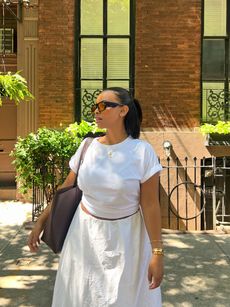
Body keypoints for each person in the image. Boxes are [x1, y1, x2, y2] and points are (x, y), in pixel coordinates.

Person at [28, 87, 164, 307]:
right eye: (94, 106)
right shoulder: (87, 147)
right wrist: (41, 222)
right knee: (82, 295)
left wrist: (157, 253)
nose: (96, 111)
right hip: (84, 236)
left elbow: (150, 205)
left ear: (123, 111)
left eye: (103, 105)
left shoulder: (142, 151)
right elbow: (66, 187)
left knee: (124, 298)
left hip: (129, 240)